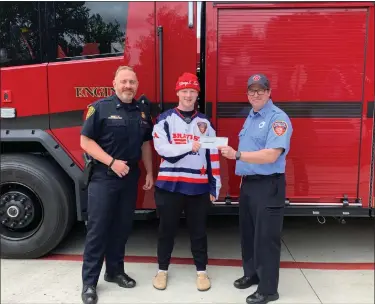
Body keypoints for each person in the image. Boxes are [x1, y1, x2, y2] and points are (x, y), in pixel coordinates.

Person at [80, 66, 154, 304]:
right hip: (104, 177)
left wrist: (150, 171)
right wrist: (112, 163)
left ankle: (115, 271)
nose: (128, 86)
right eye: (123, 81)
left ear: (137, 84)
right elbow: (85, 141)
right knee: (98, 230)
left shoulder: (142, 112)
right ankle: (89, 283)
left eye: (132, 82)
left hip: (130, 177)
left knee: (122, 228)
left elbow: (145, 145)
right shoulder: (100, 108)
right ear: (114, 83)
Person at [219, 73, 292, 304]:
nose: (256, 94)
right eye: (252, 90)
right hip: (249, 185)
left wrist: (237, 154)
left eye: (261, 90)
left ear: (269, 92)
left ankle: (269, 289)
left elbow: (272, 155)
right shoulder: (251, 116)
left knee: (266, 238)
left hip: (268, 185)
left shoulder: (277, 118)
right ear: (247, 94)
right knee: (249, 235)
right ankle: (251, 274)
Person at [151, 72, 221, 292]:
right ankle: (162, 270)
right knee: (166, 230)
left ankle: (202, 272)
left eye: (192, 91)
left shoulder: (206, 123)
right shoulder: (164, 120)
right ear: (177, 92)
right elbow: (163, 149)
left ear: (197, 94)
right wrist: (189, 146)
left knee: (199, 231)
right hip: (169, 186)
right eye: (184, 90)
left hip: (198, 187)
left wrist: (214, 185)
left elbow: (213, 155)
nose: (188, 95)